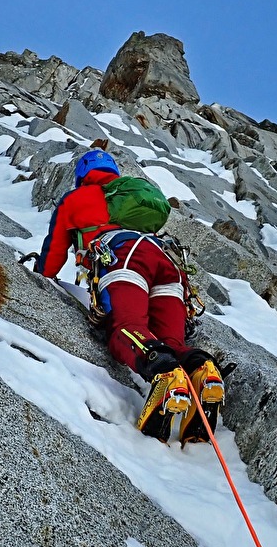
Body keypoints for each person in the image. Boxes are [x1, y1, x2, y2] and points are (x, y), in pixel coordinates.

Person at [33, 148, 225, 442]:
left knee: (126, 328)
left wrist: (39, 277)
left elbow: (54, 254)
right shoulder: (126, 199)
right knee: (172, 341)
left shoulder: (76, 199)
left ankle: (164, 374)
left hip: (122, 257)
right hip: (165, 262)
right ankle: (202, 370)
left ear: (81, 176)